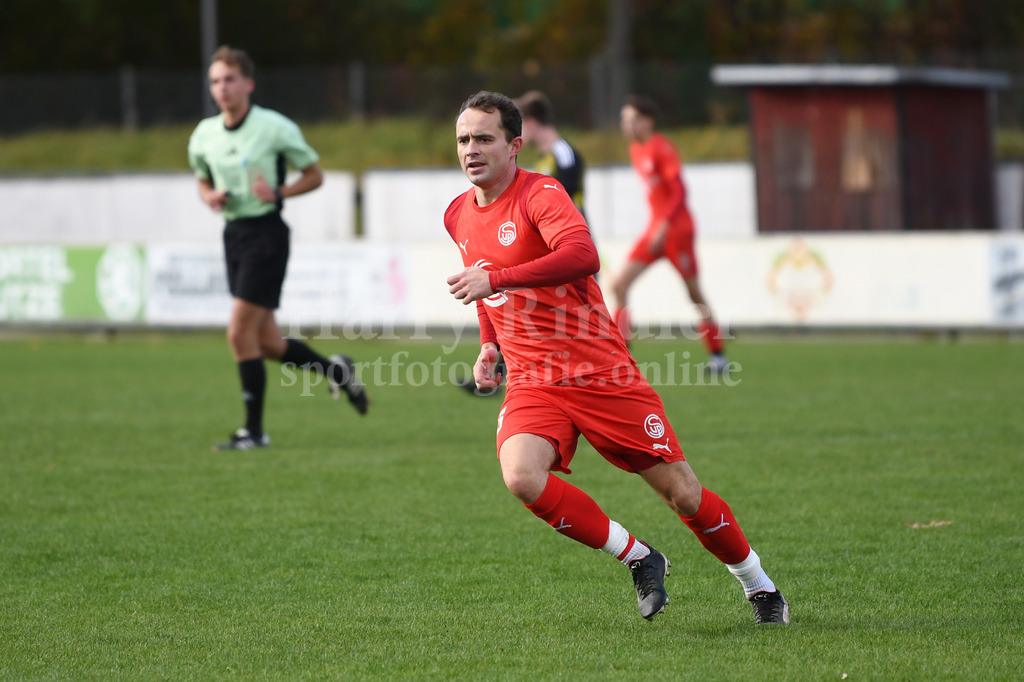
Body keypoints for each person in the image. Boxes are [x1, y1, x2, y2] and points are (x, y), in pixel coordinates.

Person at [443, 91, 788, 625]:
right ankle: (640, 557)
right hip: (533, 379)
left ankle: (759, 586)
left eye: (484, 138)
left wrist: (499, 279)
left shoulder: (542, 194)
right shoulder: (456, 214)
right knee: (522, 476)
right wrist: (490, 343)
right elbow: (485, 281)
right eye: (464, 139)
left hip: (599, 372)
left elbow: (583, 255)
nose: (471, 149)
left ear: (514, 146)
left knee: (683, 495)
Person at [187, 45, 367, 451]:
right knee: (265, 342)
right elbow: (201, 178)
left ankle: (253, 432)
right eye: (215, 81)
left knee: (238, 334)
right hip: (233, 235)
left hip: (266, 235)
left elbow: (315, 175)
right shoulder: (204, 135)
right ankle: (336, 372)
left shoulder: (273, 127)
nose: (222, 88)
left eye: (230, 79)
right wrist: (209, 195)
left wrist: (280, 192)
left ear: (248, 83)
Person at [610, 95, 728, 374]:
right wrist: (657, 227)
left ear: (648, 121)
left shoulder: (662, 148)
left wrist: (663, 226)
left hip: (676, 231)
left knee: (694, 293)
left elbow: (679, 191)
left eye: (633, 120)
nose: (627, 126)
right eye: (624, 120)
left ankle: (719, 358)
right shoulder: (636, 150)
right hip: (655, 230)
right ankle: (623, 358)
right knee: (619, 286)